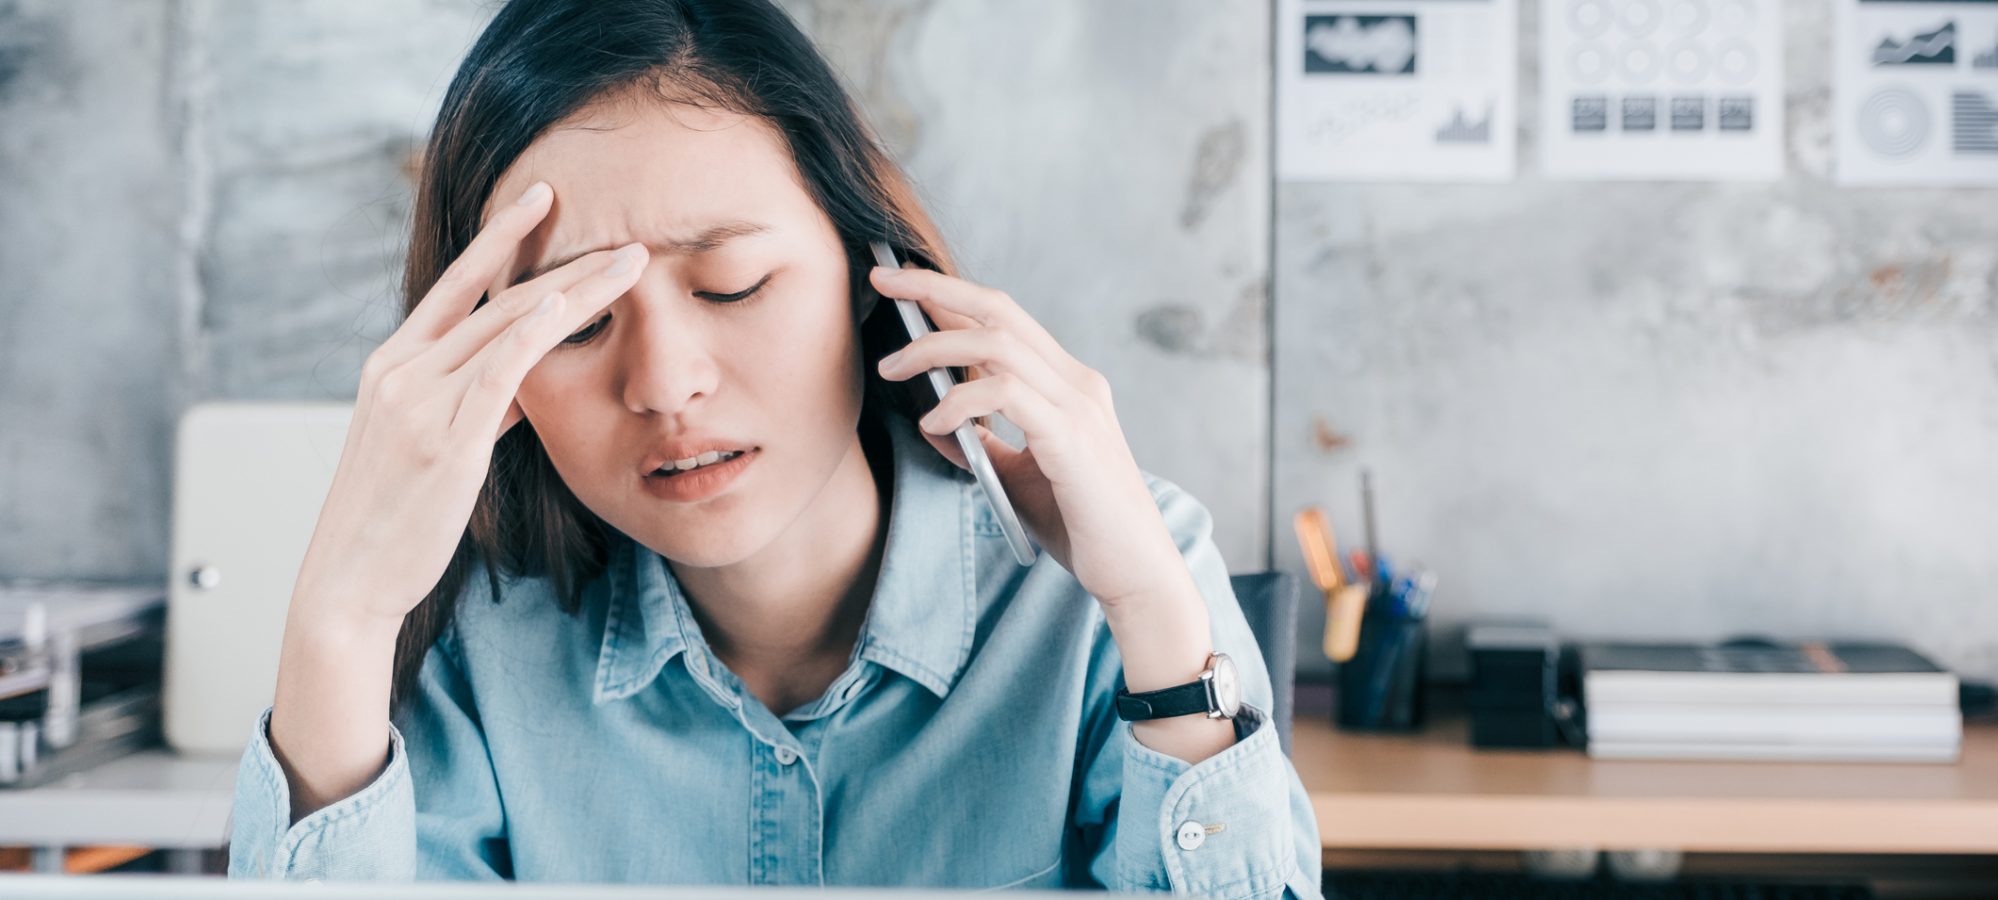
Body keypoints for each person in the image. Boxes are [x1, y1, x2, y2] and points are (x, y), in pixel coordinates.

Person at [226, 0, 1322, 895]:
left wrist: (1152, 614)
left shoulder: (1113, 577)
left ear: (866, 268)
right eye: (575, 322)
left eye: (733, 285)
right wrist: (344, 617)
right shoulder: (483, 643)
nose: (663, 384)